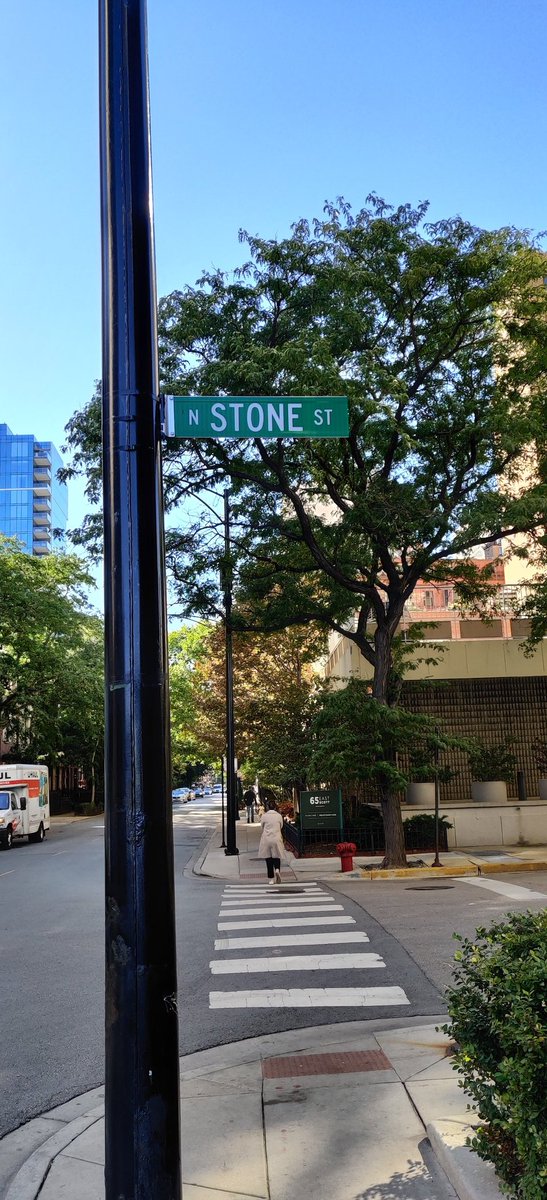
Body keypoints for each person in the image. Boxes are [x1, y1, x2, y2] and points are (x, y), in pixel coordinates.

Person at [258, 799, 284, 883]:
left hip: (267, 838)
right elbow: (281, 826)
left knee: (268, 858)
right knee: (277, 856)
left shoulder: (264, 816)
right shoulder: (279, 816)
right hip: (276, 838)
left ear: (267, 807)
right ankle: (277, 869)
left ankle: (271, 879)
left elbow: (262, 826)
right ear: (275, 807)